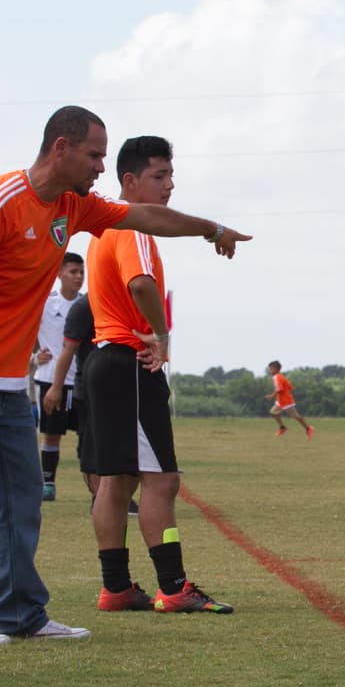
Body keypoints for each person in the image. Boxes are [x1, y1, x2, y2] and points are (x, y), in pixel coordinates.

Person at [0, 106, 249, 645]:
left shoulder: (74, 206)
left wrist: (212, 228)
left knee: (22, 500)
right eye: (94, 154)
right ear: (60, 148)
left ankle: (22, 614)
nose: (100, 166)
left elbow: (146, 218)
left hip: (7, 382)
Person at [82, 135, 233, 614]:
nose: (169, 186)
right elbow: (141, 283)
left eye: (171, 176)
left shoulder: (103, 230)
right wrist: (161, 335)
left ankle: (117, 587)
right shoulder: (134, 229)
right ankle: (173, 586)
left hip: (103, 360)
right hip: (130, 360)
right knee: (161, 480)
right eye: (159, 176)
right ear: (130, 182)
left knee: (113, 479)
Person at [32, 252, 85, 502]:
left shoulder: (87, 305)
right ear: (59, 274)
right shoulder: (45, 304)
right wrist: (34, 358)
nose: (78, 277)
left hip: (83, 381)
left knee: (89, 434)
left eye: (81, 272)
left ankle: (97, 487)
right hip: (51, 380)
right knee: (51, 433)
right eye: (73, 272)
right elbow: (25, 334)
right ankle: (48, 483)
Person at [267, 361, 313, 439]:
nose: (270, 370)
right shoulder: (281, 376)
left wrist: (272, 396)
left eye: (271, 369)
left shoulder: (276, 377)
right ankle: (282, 428)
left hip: (286, 401)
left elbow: (279, 389)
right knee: (273, 412)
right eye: (270, 369)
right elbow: (290, 387)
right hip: (281, 400)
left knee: (296, 416)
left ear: (277, 369)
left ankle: (308, 428)